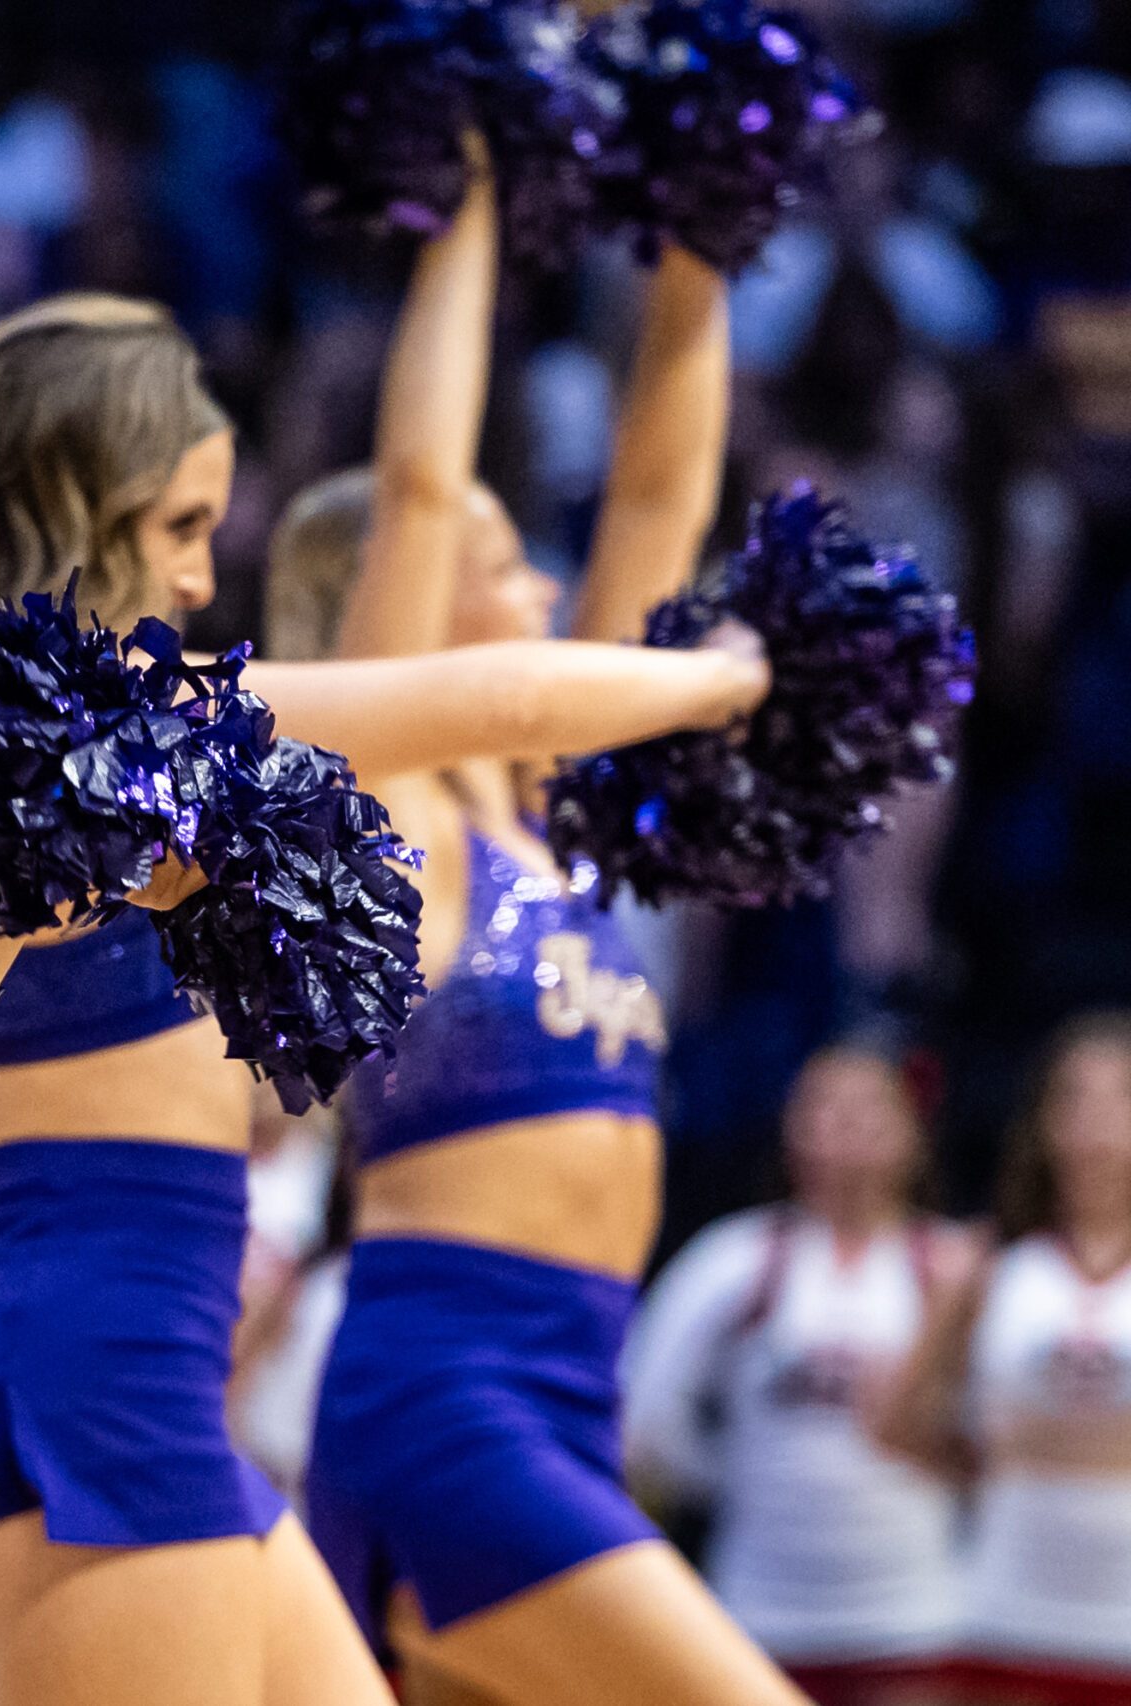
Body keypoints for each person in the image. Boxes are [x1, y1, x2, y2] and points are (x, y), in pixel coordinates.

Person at [0, 289, 771, 1706]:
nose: (207, 579)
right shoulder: (97, 739)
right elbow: (492, 698)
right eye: (183, 530)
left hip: (120, 1357)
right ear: (92, 511)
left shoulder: (21, 745)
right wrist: (710, 682)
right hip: (89, 1364)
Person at [269, 161, 816, 1706]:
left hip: (572, 1389)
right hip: (451, 1400)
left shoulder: (559, 814)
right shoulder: (394, 822)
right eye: (504, 559)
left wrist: (707, 210)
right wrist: (474, 191)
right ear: (418, 592)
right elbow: (425, 483)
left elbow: (658, 491)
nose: (546, 579)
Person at [622, 1045, 965, 1703]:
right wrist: (729, 1476)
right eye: (828, 1107)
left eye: (873, 1109)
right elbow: (644, 1414)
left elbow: (998, 1422)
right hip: (762, 1618)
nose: (851, 1126)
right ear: (791, 1127)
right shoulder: (734, 1259)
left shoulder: (950, 1268)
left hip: (918, 1623)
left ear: (915, 1135)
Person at [874, 1014, 1131, 1697]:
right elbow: (896, 1427)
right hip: (1002, 1615)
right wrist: (986, 1464)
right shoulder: (989, 1265)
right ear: (1043, 1123)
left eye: (1121, 1096)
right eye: (1074, 1097)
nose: (1098, 1120)